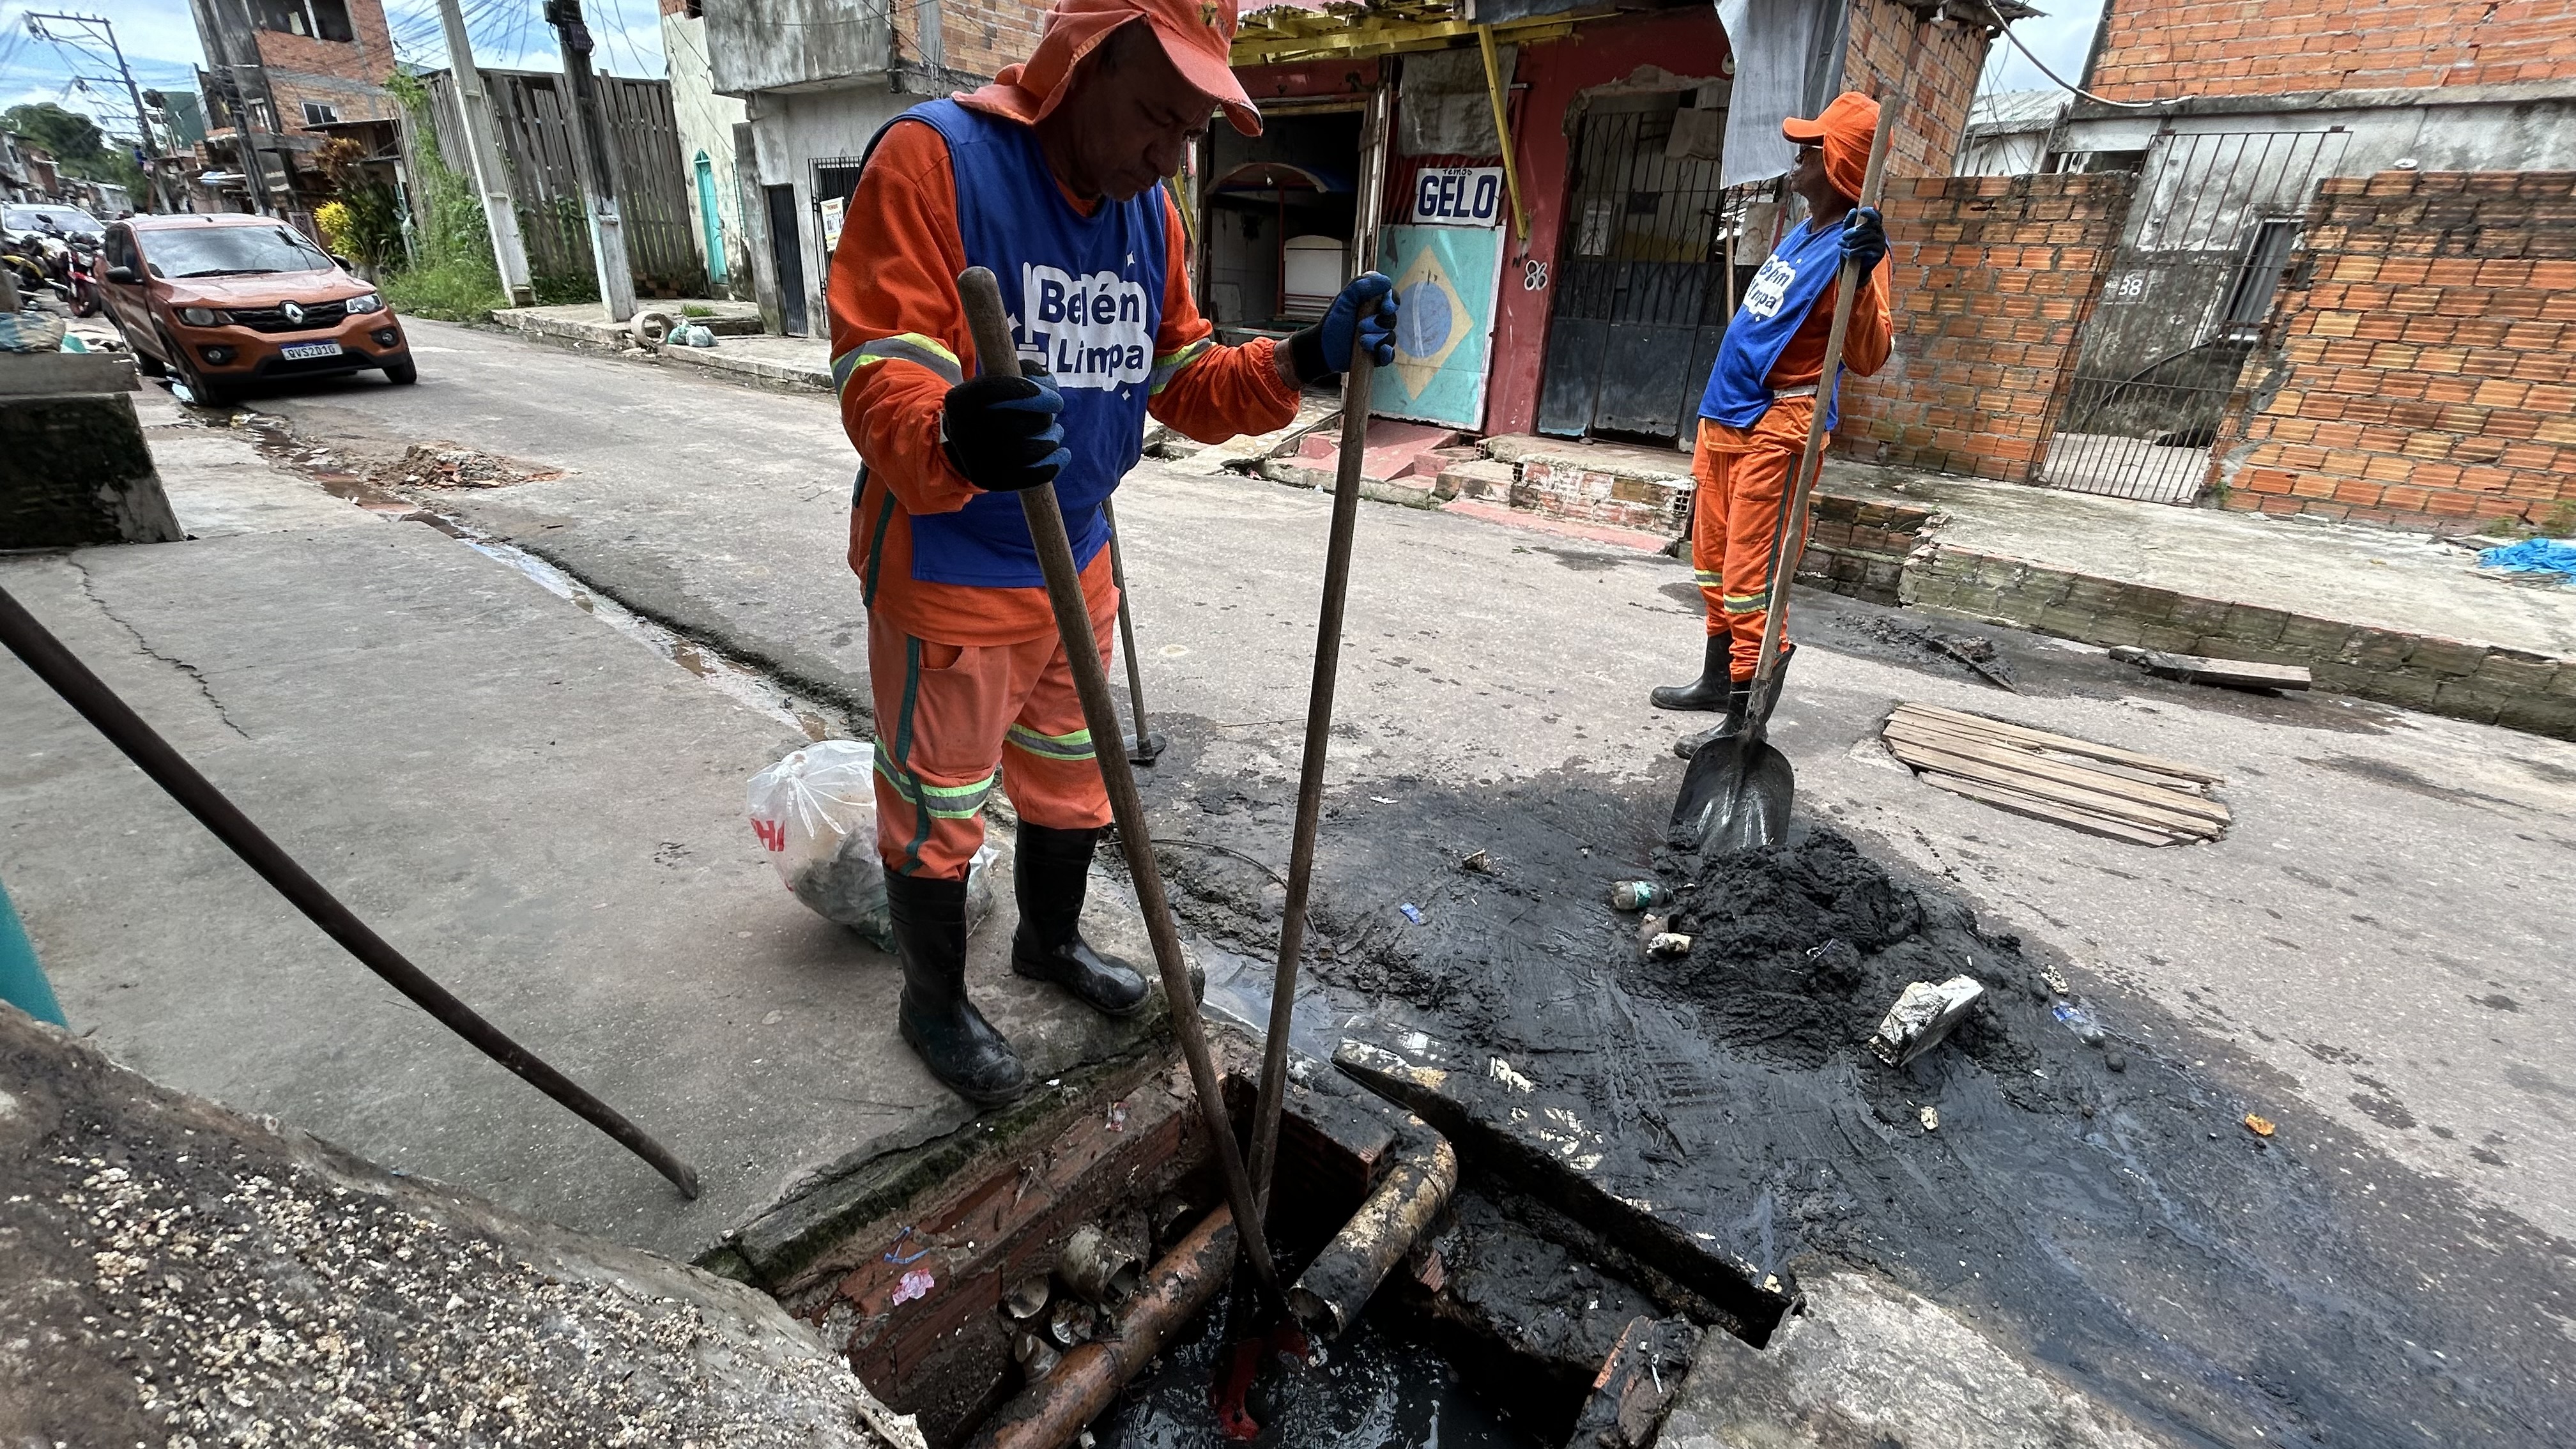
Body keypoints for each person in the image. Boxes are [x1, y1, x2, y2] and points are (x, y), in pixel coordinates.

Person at [829, 0, 1398, 1106]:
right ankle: (933, 1004)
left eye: (1190, 130)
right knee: (939, 805)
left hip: (1078, 560)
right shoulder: (936, 160)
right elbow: (877, 361)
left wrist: (1300, 357)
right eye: (1156, 117)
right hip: (953, 568)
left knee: (1073, 781)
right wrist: (950, 428)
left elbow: (1182, 375)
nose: (1170, 153)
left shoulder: (1153, 217)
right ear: (1080, 65)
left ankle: (1048, 941)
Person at [1653, 92, 1894, 757]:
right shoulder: (1801, 229)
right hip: (1727, 416)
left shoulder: (1856, 246)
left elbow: (1870, 355)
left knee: (1752, 578)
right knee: (1711, 566)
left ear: (1841, 162)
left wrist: (1866, 274)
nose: (1798, 154)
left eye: (1812, 147)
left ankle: (1742, 721)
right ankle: (1714, 681)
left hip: (1780, 423)